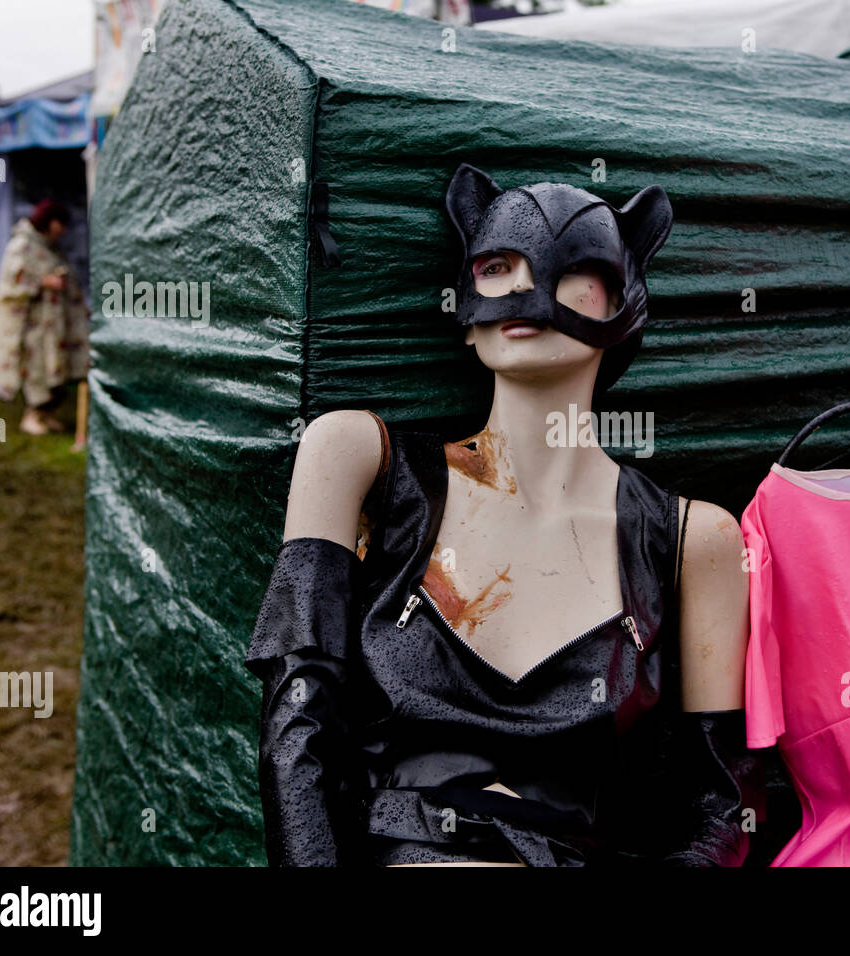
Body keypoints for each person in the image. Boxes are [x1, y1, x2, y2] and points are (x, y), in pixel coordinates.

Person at [245, 164, 765, 866]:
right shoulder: (356, 457)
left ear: (625, 298)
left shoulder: (692, 538)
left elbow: (722, 800)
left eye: (574, 264)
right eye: (497, 264)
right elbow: (297, 721)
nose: (527, 286)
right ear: (465, 305)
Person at [0, 199, 90, 436]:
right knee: (37, 370)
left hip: (53, 324)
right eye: (62, 224)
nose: (65, 231)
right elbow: (9, 286)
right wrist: (43, 282)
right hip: (32, 325)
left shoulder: (50, 246)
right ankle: (32, 415)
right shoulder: (21, 246)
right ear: (50, 222)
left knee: (55, 369)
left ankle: (45, 414)